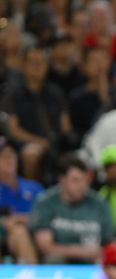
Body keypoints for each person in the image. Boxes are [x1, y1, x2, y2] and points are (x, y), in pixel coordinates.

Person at [4, 45, 74, 183]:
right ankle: (33, 194)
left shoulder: (55, 93)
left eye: (42, 62)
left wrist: (60, 140)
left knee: (76, 157)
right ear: (23, 65)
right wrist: (40, 142)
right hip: (26, 144)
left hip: (55, 142)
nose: (38, 66)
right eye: (33, 62)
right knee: (31, 153)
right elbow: (13, 130)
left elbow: (66, 125)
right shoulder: (14, 95)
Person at [28, 156, 114, 264]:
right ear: (62, 180)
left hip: (94, 262)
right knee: (54, 258)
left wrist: (97, 253)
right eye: (75, 180)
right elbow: (46, 247)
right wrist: (87, 252)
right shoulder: (45, 202)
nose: (82, 185)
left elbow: (108, 243)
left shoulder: (99, 204)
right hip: (58, 266)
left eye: (84, 180)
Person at [0, 139, 41, 264]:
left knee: (20, 231)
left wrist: (20, 219)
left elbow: (47, 214)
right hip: (5, 233)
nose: (9, 160)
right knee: (19, 232)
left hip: (35, 232)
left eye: (12, 156)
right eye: (4, 156)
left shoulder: (33, 187)